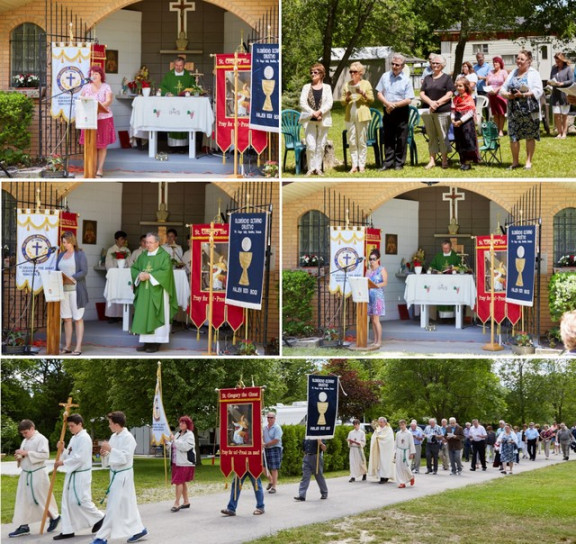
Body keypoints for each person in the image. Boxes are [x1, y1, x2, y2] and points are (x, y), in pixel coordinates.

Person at [91, 411, 147, 544]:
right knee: (128, 505)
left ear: (116, 424)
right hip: (115, 473)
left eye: (110, 423)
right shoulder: (113, 437)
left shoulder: (128, 438)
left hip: (124, 475)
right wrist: (105, 453)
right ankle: (139, 529)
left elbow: (125, 458)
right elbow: (112, 456)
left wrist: (110, 450)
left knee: (113, 505)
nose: (109, 426)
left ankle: (102, 536)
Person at [52, 414, 104, 540]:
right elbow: (70, 454)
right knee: (68, 502)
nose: (70, 428)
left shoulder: (84, 438)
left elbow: (79, 458)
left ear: (80, 424)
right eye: (69, 426)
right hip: (72, 475)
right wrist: (63, 449)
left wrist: (63, 463)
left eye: (72, 426)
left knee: (81, 500)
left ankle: (100, 517)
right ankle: (68, 530)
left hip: (81, 474)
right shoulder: (74, 438)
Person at [9, 420, 60, 538]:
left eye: (26, 432)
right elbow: (24, 455)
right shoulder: (25, 440)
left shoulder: (41, 439)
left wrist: (26, 453)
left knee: (40, 498)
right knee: (23, 500)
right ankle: (23, 526)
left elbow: (45, 455)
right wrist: (19, 457)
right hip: (26, 474)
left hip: (37, 473)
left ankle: (55, 516)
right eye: (22, 434)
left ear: (32, 428)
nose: (24, 435)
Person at [130, 233, 178, 353]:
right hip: (145, 292)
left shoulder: (164, 256)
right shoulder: (143, 256)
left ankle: (156, 343)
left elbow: (166, 272)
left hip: (158, 291)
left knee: (156, 315)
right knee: (145, 315)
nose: (148, 245)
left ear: (157, 243)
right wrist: (139, 275)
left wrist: (149, 276)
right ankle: (146, 342)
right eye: (146, 242)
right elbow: (134, 268)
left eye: (150, 243)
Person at [500, 50, 544, 170]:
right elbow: (502, 89)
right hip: (514, 111)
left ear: (529, 61)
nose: (518, 61)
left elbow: (539, 90)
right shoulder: (513, 73)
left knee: (530, 135)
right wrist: (508, 95)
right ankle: (515, 162)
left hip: (529, 110)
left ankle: (528, 161)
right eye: (517, 58)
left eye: (522, 59)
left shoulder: (534, 73)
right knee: (513, 136)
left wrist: (524, 94)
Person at [376, 53, 415, 171]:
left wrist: (394, 105)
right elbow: (379, 93)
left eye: (397, 65)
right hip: (387, 110)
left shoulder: (406, 80)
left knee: (401, 138)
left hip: (401, 111)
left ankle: (399, 163)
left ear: (402, 66)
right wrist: (388, 104)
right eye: (392, 64)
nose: (394, 66)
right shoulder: (385, 76)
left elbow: (409, 99)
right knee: (388, 137)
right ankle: (388, 163)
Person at [78, 65, 115, 177]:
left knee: (102, 145)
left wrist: (97, 108)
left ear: (101, 76)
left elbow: (108, 101)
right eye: (92, 74)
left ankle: (100, 169)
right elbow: (81, 99)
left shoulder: (106, 87)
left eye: (96, 74)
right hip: (89, 119)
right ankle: (91, 168)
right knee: (91, 144)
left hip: (104, 118)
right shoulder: (86, 87)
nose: (93, 76)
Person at [420, 54, 455, 170]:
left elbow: (450, 94)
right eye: (433, 63)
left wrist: (437, 103)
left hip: (443, 111)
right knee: (431, 136)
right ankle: (432, 160)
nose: (434, 65)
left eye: (437, 63)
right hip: (429, 111)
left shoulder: (447, 78)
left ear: (442, 65)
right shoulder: (427, 78)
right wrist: (431, 103)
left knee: (443, 135)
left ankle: (444, 160)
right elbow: (421, 93)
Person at [57, 231, 88, 356]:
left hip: (76, 290)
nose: (64, 245)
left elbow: (84, 271)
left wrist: (73, 277)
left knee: (78, 318)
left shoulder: (80, 254)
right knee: (67, 319)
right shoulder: (61, 255)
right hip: (63, 291)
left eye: (66, 242)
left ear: (72, 241)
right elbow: (57, 270)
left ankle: (78, 346)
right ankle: (68, 345)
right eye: (63, 242)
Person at [299, 63, 333, 176]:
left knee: (321, 144)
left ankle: (318, 168)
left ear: (322, 74)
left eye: (315, 72)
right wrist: (313, 113)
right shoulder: (306, 87)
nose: (313, 74)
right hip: (309, 119)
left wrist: (320, 112)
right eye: (311, 72)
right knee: (311, 145)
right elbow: (302, 102)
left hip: (323, 119)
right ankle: (310, 168)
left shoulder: (327, 87)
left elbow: (329, 103)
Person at [341, 61, 374, 173]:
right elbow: (342, 102)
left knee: (362, 140)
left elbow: (372, 100)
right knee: (352, 140)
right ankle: (354, 165)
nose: (352, 74)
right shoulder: (346, 84)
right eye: (350, 71)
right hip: (350, 116)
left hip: (363, 115)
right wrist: (347, 97)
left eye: (354, 72)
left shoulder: (366, 83)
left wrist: (363, 93)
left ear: (360, 73)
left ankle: (362, 165)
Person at [159, 57, 197, 149]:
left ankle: (184, 147)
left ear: (184, 65)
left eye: (180, 65)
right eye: (176, 65)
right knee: (173, 122)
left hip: (185, 105)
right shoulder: (169, 75)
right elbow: (162, 87)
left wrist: (189, 92)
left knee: (184, 122)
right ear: (173, 65)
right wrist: (167, 93)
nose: (178, 67)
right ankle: (172, 146)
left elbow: (194, 87)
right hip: (172, 104)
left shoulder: (188, 75)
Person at [451, 76, 480, 171]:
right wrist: (453, 120)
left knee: (467, 141)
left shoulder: (469, 98)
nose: (458, 88)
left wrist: (461, 121)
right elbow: (453, 110)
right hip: (457, 122)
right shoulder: (456, 98)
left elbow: (470, 112)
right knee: (460, 142)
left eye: (460, 86)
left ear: (465, 87)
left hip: (466, 123)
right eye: (457, 86)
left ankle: (468, 162)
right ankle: (462, 160)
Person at [169, 416, 195, 512]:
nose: (181, 424)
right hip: (176, 462)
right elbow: (173, 446)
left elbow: (185, 447)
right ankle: (186, 501)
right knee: (182, 481)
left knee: (178, 481)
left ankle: (176, 503)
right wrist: (168, 443)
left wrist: (174, 441)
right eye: (180, 422)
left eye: (183, 423)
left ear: (188, 425)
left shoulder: (190, 435)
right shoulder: (178, 434)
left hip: (185, 462)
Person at [105, 230, 131, 323]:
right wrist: (114, 270)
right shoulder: (111, 250)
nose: (123, 241)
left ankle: (121, 315)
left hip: (124, 276)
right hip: (115, 276)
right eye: (121, 239)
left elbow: (130, 263)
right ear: (116, 240)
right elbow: (108, 263)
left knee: (123, 294)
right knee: (113, 293)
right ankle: (112, 316)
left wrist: (127, 269)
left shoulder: (126, 250)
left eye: (124, 239)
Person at [548, 53, 574, 139]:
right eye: (556, 60)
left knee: (564, 115)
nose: (557, 62)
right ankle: (559, 133)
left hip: (564, 94)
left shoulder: (568, 68)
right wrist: (550, 82)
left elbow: (571, 80)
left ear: (562, 60)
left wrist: (562, 83)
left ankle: (564, 133)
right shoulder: (553, 68)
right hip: (555, 94)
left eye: (558, 61)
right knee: (556, 114)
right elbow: (551, 78)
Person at [366, 249, 387, 349]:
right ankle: (374, 340)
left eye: (373, 259)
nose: (372, 261)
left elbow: (385, 282)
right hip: (369, 296)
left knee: (376, 319)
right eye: (370, 259)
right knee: (372, 320)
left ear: (378, 259)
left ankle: (379, 341)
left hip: (378, 297)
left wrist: (376, 285)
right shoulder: (368, 271)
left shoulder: (382, 269)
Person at [486, 56, 508, 136]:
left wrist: (497, 89)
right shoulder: (490, 72)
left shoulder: (503, 72)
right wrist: (488, 88)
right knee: (495, 113)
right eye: (494, 62)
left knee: (501, 113)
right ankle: (496, 130)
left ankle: (501, 130)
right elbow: (487, 82)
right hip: (492, 95)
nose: (494, 63)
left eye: (496, 62)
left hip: (500, 95)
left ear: (500, 64)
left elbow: (506, 83)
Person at [368, 417, 395, 483]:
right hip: (379, 450)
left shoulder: (389, 429)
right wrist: (376, 438)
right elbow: (374, 437)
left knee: (385, 463)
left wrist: (379, 438)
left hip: (386, 451)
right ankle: (382, 477)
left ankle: (386, 477)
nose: (380, 423)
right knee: (380, 463)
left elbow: (389, 439)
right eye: (379, 422)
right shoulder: (378, 429)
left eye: (381, 422)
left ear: (385, 422)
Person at [263, 412, 283, 494]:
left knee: (274, 468)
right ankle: (271, 480)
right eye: (268, 417)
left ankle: (274, 487)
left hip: (274, 448)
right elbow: (262, 437)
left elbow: (276, 440)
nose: (269, 419)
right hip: (266, 449)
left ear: (274, 419)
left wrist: (266, 444)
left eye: (271, 417)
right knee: (263, 468)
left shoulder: (277, 428)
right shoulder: (264, 428)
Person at [394, 419, 415, 488]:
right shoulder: (398, 433)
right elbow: (396, 443)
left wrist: (412, 453)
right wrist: (395, 452)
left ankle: (411, 476)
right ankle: (401, 482)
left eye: (403, 425)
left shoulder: (409, 433)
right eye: (400, 425)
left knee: (406, 466)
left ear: (405, 425)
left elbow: (411, 443)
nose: (401, 426)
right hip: (399, 450)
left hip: (406, 451)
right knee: (399, 467)